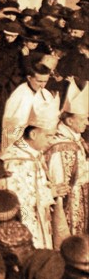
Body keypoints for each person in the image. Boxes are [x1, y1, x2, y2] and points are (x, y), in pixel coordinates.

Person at [2, 95, 68, 249]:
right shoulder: (16, 160)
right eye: (48, 136)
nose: (51, 140)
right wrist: (49, 193)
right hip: (26, 225)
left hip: (40, 221)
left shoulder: (33, 154)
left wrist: (52, 191)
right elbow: (16, 200)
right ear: (33, 134)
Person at [45, 80, 89, 242]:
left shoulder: (75, 139)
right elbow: (61, 184)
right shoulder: (63, 146)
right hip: (69, 204)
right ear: (70, 121)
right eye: (83, 119)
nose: (87, 123)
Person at [1, 62, 56, 151]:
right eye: (39, 81)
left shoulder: (46, 94)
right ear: (29, 78)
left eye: (45, 81)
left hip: (41, 142)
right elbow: (10, 125)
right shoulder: (18, 95)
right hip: (21, 145)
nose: (42, 85)